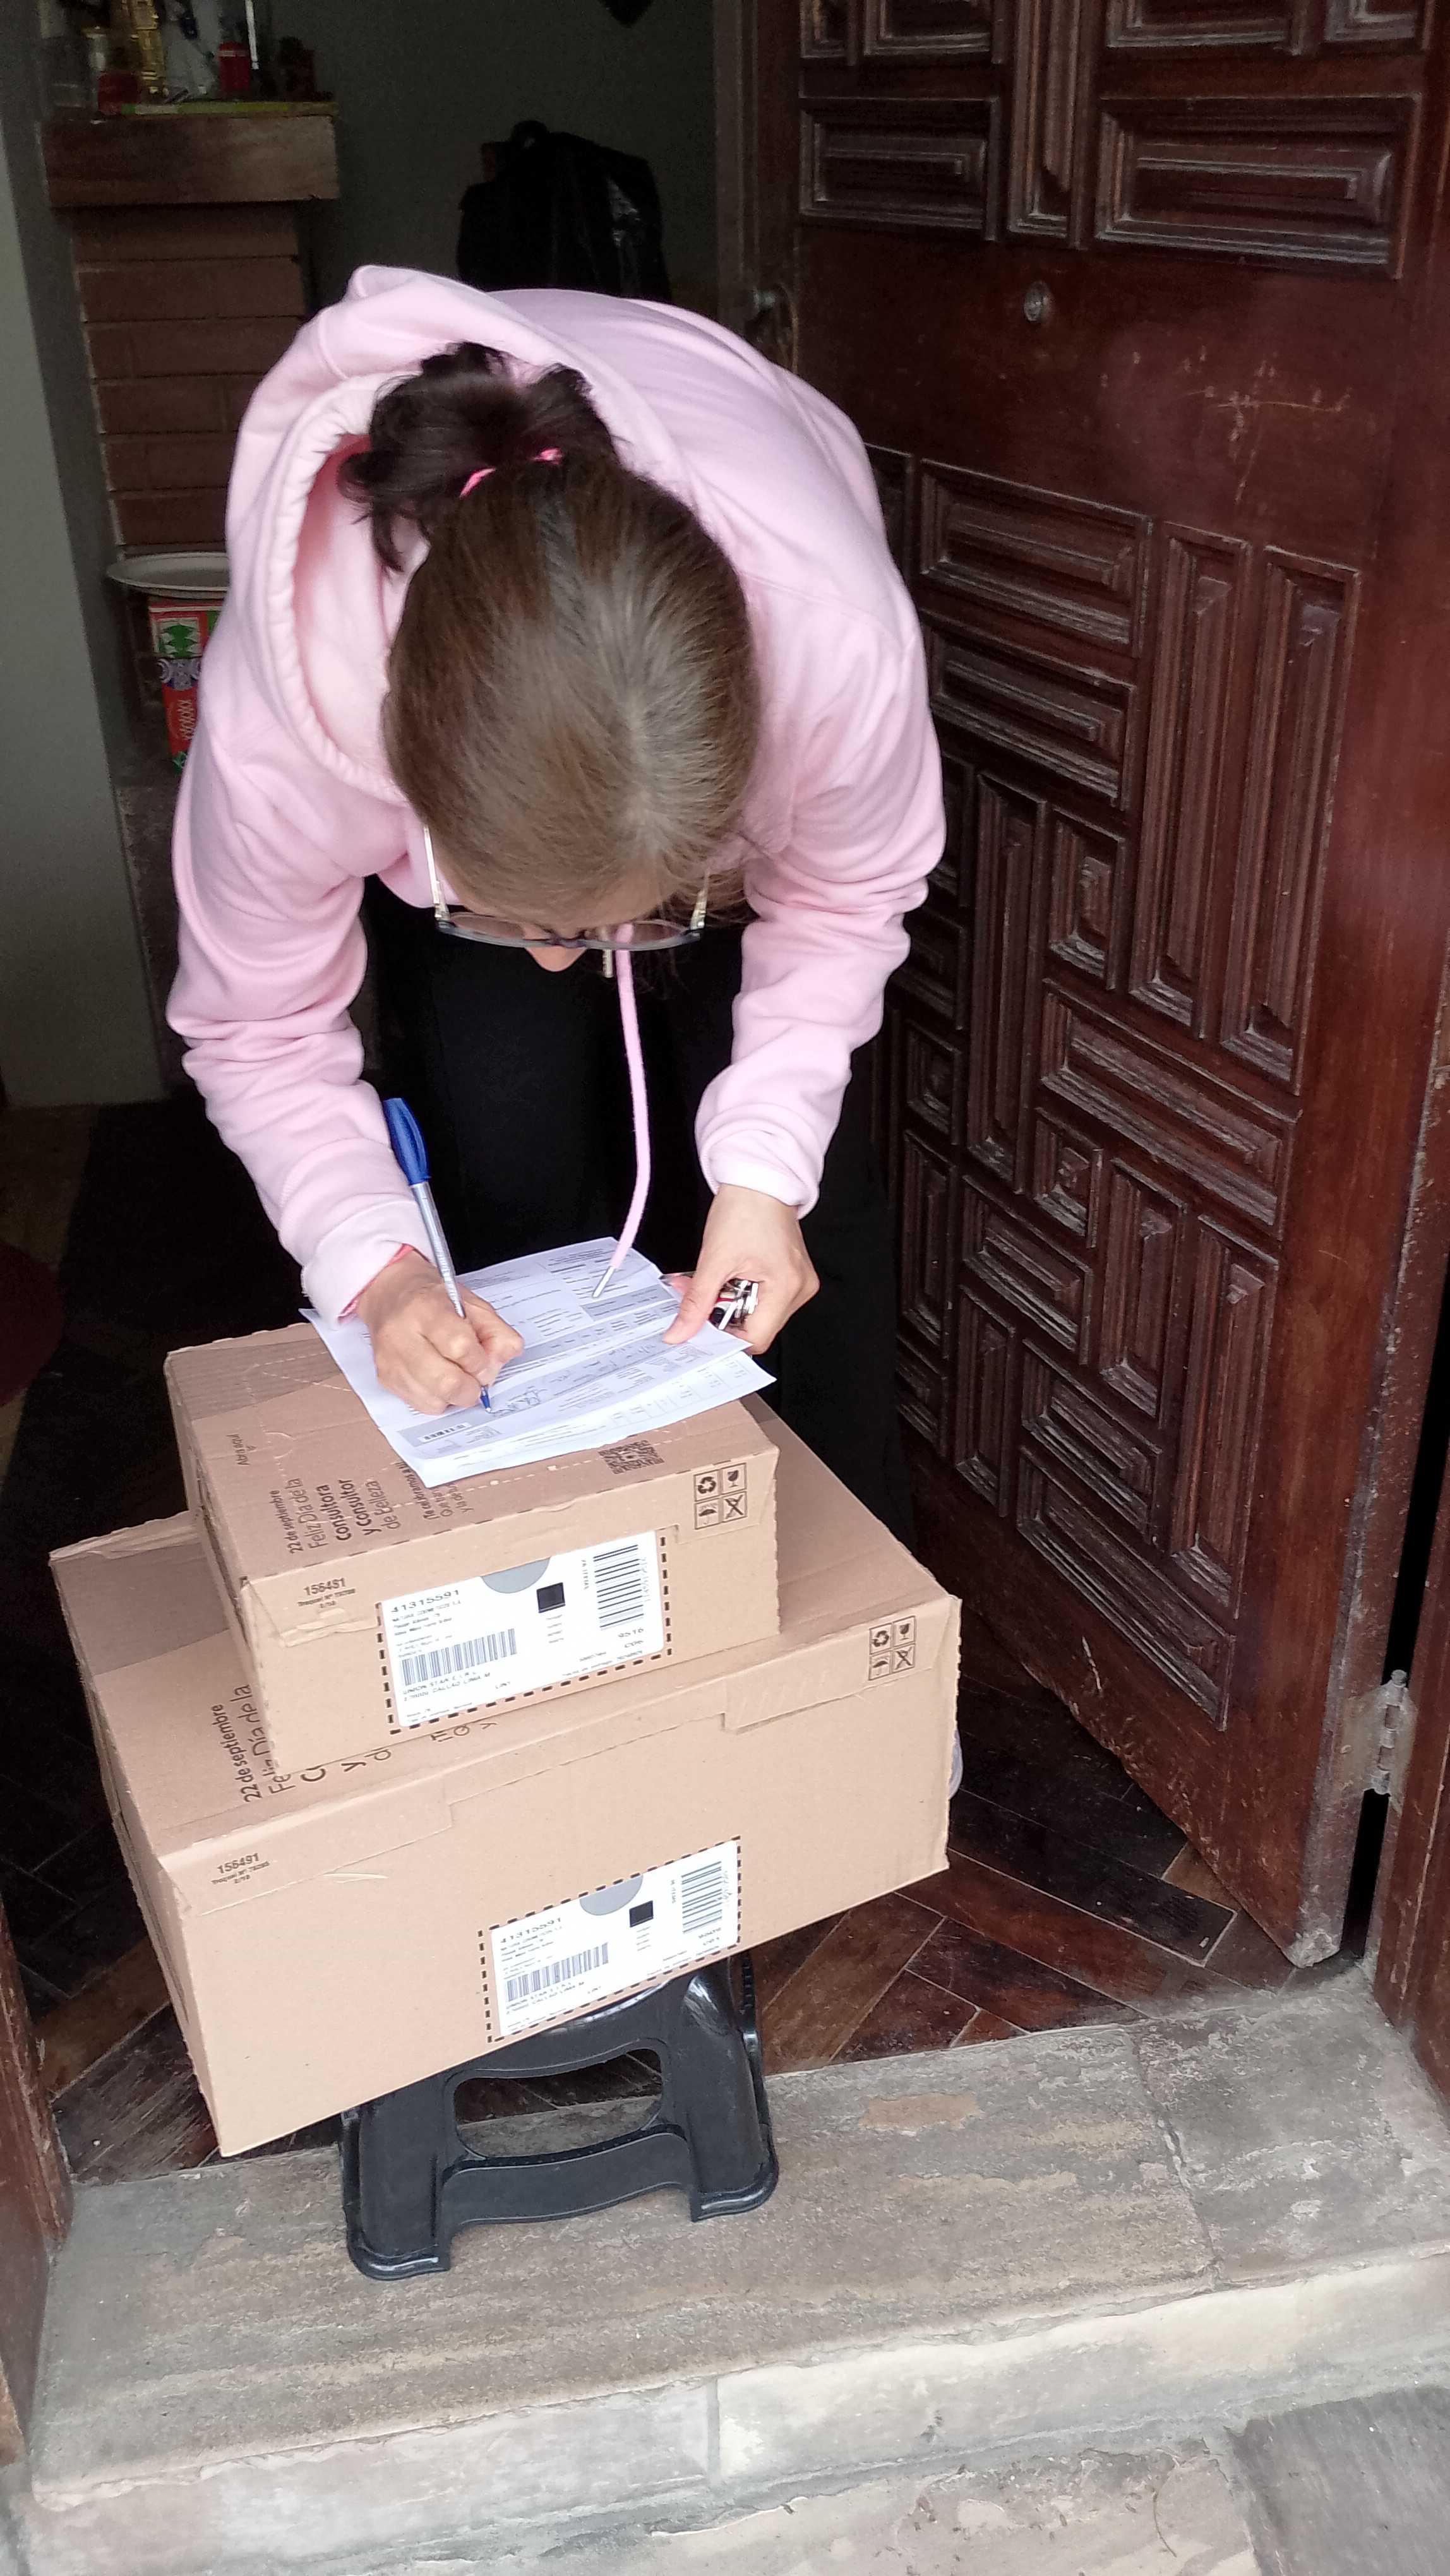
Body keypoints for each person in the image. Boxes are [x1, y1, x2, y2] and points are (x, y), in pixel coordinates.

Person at [169, 269, 944, 1537]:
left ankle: (851, 1593)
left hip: (744, 638)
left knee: (802, 1200)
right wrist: (376, 1266)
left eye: (633, 916)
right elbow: (257, 1028)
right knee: (506, 1145)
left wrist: (764, 1172)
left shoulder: (834, 645)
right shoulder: (287, 734)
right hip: (487, 757)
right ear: (405, 781)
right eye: (515, 920)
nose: (560, 961)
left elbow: (847, 895)